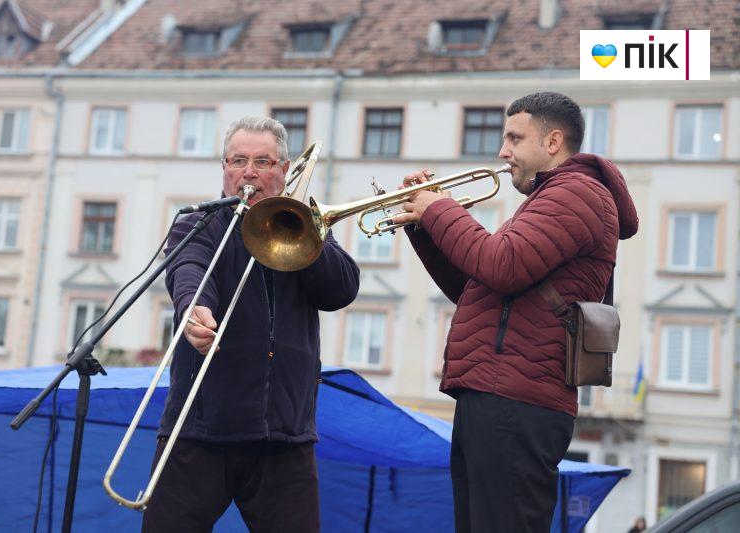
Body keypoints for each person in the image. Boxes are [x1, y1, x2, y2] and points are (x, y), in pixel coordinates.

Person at [395, 92, 639, 532]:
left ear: (552, 142)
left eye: (514, 138)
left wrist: (441, 209)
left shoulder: (576, 194)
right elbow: (475, 288)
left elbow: (501, 264)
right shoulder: (550, 199)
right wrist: (423, 225)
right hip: (497, 392)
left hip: (517, 399)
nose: (502, 152)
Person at [142, 117, 360, 532]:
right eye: (238, 160)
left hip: (283, 437)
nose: (249, 172)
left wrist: (307, 232)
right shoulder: (198, 223)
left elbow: (342, 290)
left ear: (285, 169)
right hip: (201, 431)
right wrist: (194, 309)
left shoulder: (305, 227)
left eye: (263, 161)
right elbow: (189, 271)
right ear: (224, 168)